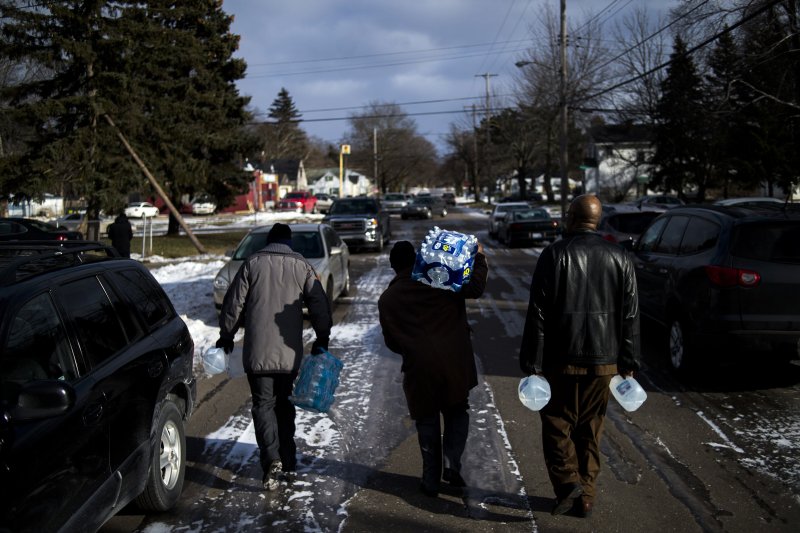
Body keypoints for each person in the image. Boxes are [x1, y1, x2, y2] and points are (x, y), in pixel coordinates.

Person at [519, 194, 640, 518]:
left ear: (572, 217)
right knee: (591, 428)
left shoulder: (554, 254)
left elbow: (538, 314)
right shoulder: (620, 257)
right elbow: (630, 316)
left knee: (557, 424)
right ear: (596, 220)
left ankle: (568, 482)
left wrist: (533, 363)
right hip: (605, 363)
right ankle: (586, 493)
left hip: (561, 360)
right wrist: (629, 363)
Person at [217, 223, 332, 490]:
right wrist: (322, 336)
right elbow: (318, 303)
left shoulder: (252, 263)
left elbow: (234, 303)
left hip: (258, 352)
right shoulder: (302, 265)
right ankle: (288, 459)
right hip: (289, 351)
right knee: (284, 403)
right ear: (289, 241)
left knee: (263, 405)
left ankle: (271, 459)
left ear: (268, 241)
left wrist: (226, 334)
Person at [378, 239, 489, 497]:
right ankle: (452, 465)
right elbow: (474, 287)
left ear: (393, 267)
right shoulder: (438, 278)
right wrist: (480, 259)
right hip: (454, 362)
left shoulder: (388, 299)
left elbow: (392, 342)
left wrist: (413, 347)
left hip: (419, 369)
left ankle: (430, 480)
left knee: (427, 420)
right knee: (457, 410)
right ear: (417, 260)